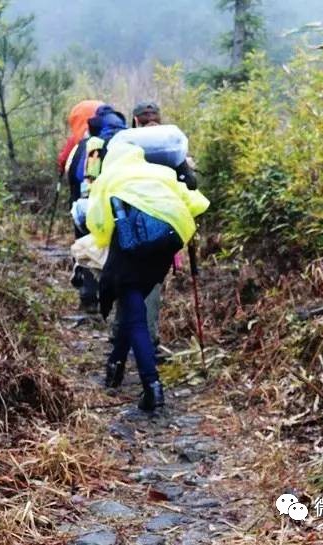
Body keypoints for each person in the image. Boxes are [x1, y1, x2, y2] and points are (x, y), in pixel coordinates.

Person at [86, 142, 209, 412]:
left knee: (136, 319)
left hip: (130, 254)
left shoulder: (110, 180)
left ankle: (152, 387)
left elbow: (99, 225)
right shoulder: (160, 174)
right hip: (163, 249)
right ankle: (115, 366)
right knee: (134, 312)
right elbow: (198, 203)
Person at [107, 101, 198, 385]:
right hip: (164, 241)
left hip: (129, 238)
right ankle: (121, 363)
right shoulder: (170, 150)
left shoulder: (127, 148)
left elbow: (108, 186)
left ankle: (140, 372)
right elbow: (191, 187)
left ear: (134, 121)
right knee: (143, 297)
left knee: (130, 300)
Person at [67, 104, 126, 313]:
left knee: (90, 247)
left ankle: (89, 297)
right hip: (124, 208)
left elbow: (76, 175)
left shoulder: (89, 145)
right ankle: (116, 302)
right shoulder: (130, 142)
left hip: (93, 205)